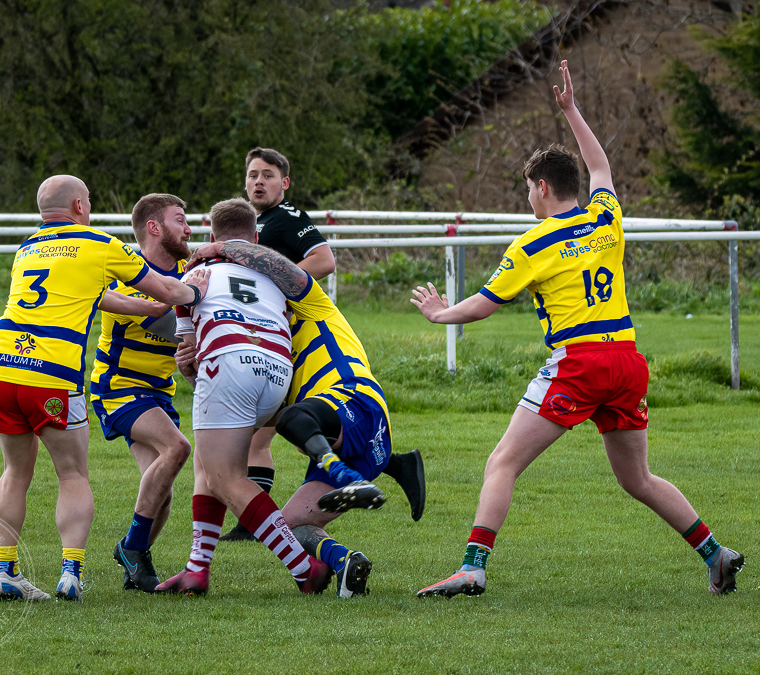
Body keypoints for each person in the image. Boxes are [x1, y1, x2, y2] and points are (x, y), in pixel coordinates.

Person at [411, 61, 744, 598]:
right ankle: (716, 554)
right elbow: (602, 167)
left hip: (581, 363)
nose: (527, 199)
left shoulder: (533, 243)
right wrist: (570, 110)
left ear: (541, 187)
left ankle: (473, 566)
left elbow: (482, 307)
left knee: (503, 461)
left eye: (527, 190)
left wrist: (439, 314)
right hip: (629, 362)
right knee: (637, 479)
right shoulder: (604, 219)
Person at [0, 174, 209, 602]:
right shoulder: (100, 245)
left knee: (16, 472)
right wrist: (195, 289)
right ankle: (70, 574)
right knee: (72, 474)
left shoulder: (26, 249)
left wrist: (158, 304)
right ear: (80, 207)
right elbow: (169, 289)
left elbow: (103, 299)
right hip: (50, 373)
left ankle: (6, 572)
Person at [221, 146, 425, 543]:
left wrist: (275, 287)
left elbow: (324, 259)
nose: (258, 181)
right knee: (272, 429)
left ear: (285, 183)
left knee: (268, 430)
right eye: (251, 175)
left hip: (310, 333)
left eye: (267, 175)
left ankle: (251, 521)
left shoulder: (286, 216)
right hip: (282, 340)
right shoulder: (258, 226)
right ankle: (395, 465)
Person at [183, 237, 393, 598]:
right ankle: (344, 562)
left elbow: (283, 268)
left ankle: (345, 475)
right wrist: (196, 372)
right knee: (289, 524)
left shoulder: (312, 305)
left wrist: (222, 247)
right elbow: (244, 421)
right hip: (359, 438)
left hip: (353, 401)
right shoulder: (269, 338)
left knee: (294, 417)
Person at [157, 197, 332, 596]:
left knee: (224, 476)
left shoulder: (198, 272)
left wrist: (191, 364)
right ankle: (196, 569)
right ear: (256, 238)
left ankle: (305, 568)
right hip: (277, 372)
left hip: (229, 361)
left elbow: (189, 362)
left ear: (211, 236)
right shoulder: (275, 276)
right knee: (208, 464)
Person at [89, 193, 196, 594]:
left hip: (159, 393)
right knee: (178, 449)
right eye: (180, 220)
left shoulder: (192, 269)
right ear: (154, 227)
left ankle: (134, 563)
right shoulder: (122, 270)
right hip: (119, 386)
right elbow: (154, 317)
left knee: (162, 493)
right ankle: (132, 548)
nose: (189, 229)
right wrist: (189, 306)